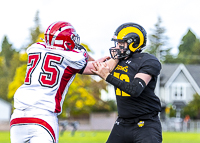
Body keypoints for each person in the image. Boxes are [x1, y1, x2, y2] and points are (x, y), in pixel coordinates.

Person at [9, 21, 110, 143]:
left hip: (18, 117)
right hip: (43, 117)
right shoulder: (73, 57)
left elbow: (57, 54)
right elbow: (93, 66)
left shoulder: (35, 48)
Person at [91, 22, 163, 143]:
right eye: (117, 43)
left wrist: (107, 76)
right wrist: (82, 54)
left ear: (133, 43)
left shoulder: (148, 60)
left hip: (145, 124)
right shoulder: (117, 60)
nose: (117, 47)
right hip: (123, 122)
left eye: (121, 43)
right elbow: (95, 68)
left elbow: (135, 89)